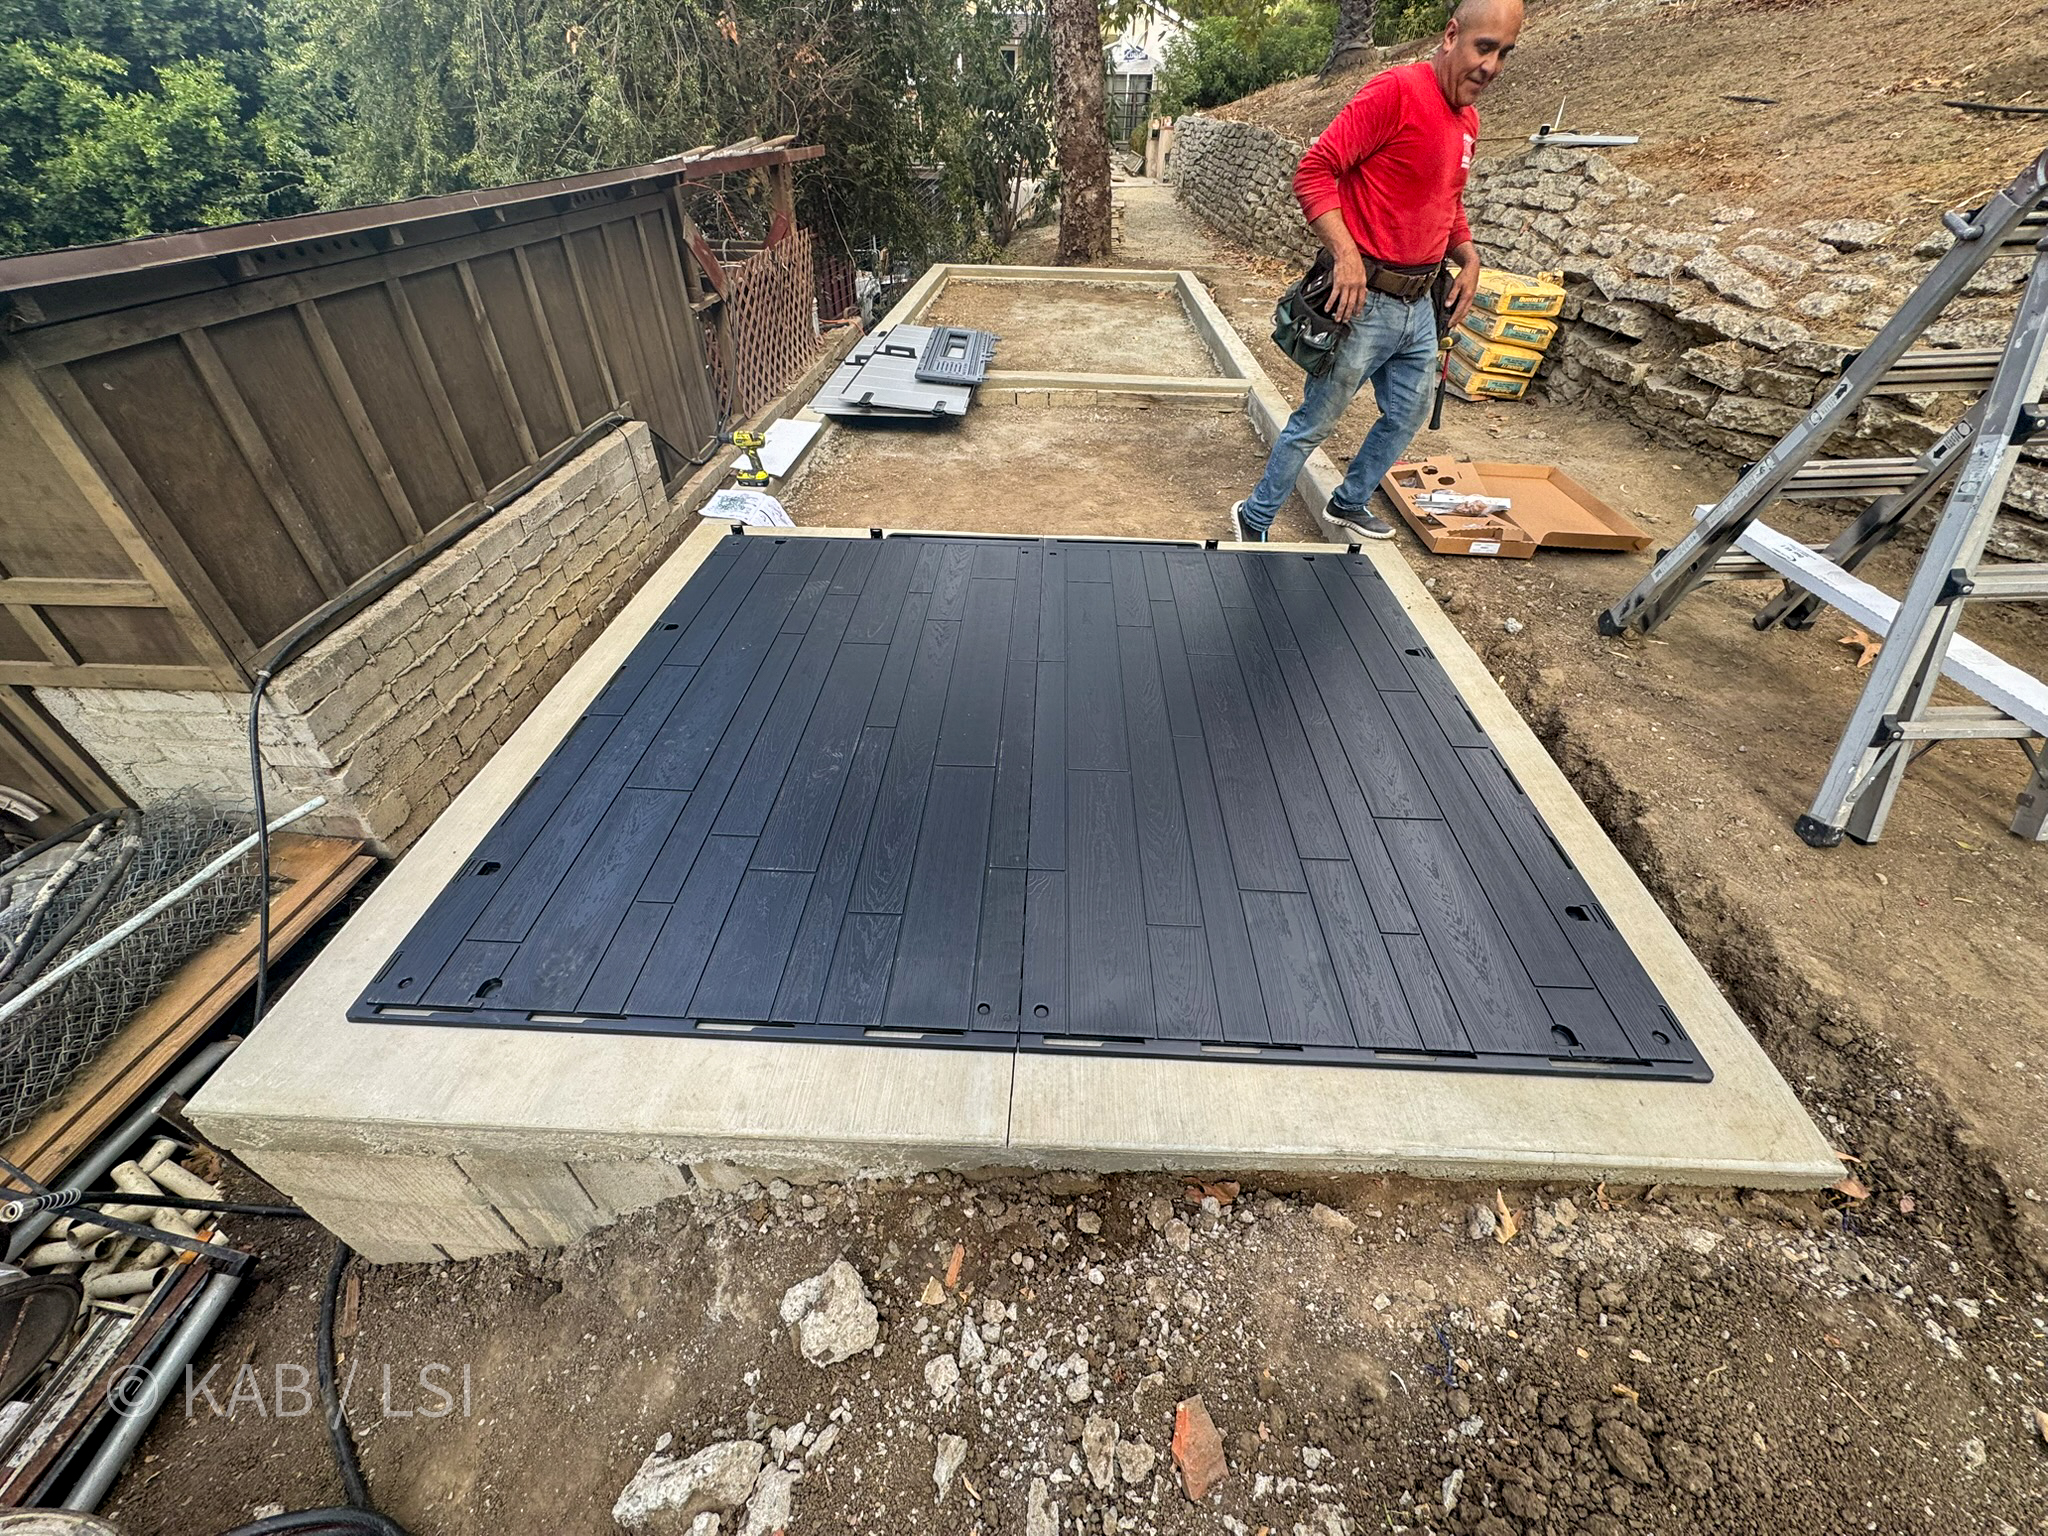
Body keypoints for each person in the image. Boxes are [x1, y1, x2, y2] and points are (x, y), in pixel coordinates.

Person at [1232, 0, 1523, 543]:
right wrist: (1345, 254)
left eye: (1504, 54)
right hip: (1363, 302)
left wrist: (1470, 257)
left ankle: (1350, 500)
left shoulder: (1468, 120)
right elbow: (1315, 170)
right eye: (1485, 48)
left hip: (1420, 305)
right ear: (1451, 35)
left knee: (1407, 414)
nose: (1492, 67)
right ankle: (1256, 514)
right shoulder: (1396, 92)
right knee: (1316, 422)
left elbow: (1448, 200)